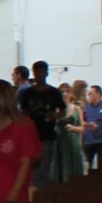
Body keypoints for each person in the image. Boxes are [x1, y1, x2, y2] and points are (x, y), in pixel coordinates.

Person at [17, 59, 68, 189]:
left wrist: (54, 116)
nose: (39, 75)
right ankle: (31, 190)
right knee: (29, 165)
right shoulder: (27, 93)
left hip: (47, 134)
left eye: (41, 72)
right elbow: (23, 112)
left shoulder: (54, 92)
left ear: (46, 73)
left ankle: (41, 192)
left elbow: (63, 111)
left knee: (45, 166)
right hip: (30, 134)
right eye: (36, 73)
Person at [79, 83, 102, 172]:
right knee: (88, 166)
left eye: (90, 93)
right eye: (88, 93)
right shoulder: (86, 108)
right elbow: (80, 122)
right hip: (89, 141)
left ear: (98, 94)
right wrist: (88, 125)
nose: (88, 95)